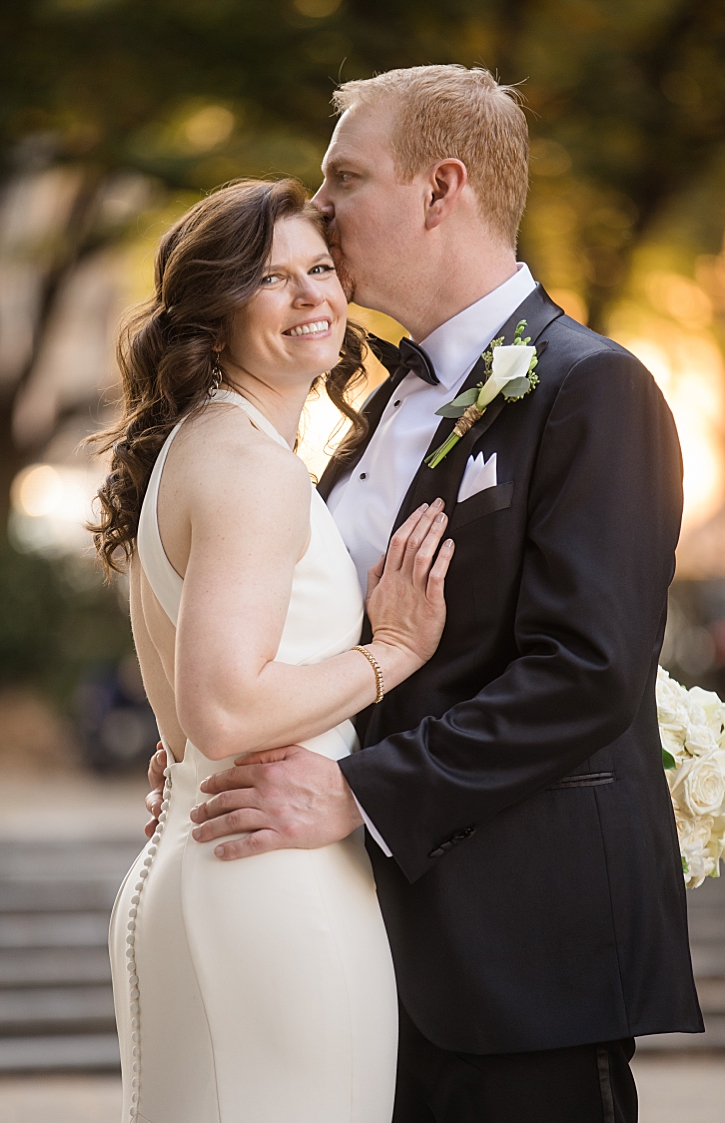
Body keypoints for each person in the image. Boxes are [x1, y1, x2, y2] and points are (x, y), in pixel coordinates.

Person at [147, 66, 701, 1121]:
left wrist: (360, 791)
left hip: (521, 954)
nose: (320, 209)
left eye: (344, 179)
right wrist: (223, 743)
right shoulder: (370, 405)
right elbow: (310, 626)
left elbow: (588, 669)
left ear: (441, 190)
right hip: (359, 939)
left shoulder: (594, 387)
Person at [90, 178, 454, 1122]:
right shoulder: (249, 466)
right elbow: (222, 708)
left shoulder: (209, 444)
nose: (311, 296)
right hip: (269, 881)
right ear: (213, 316)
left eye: (320, 268)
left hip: (214, 858)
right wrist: (396, 651)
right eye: (270, 278)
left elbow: (194, 722)